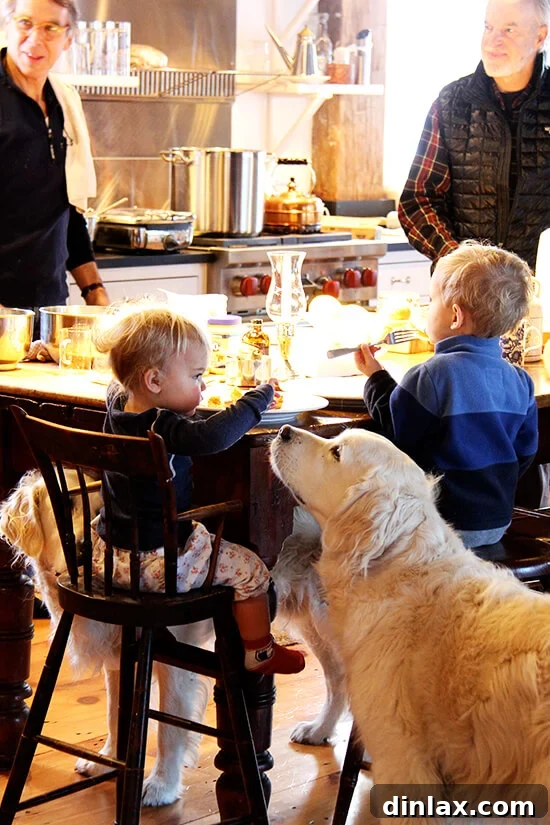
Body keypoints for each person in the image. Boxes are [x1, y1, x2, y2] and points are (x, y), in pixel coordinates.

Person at [91, 305, 305, 676]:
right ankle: (259, 650)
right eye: (196, 376)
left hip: (110, 558)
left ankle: (162, 639)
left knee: (202, 537)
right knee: (252, 570)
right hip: (160, 563)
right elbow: (213, 436)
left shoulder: (117, 405)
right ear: (154, 381)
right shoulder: (164, 425)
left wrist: (183, 387)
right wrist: (257, 400)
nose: (203, 386)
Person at [354, 243, 538, 549]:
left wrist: (375, 376)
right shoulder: (520, 380)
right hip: (495, 525)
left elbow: (396, 431)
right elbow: (525, 455)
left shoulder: (431, 375)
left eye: (431, 300)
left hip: (438, 526)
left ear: (455, 316)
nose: (427, 309)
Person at [398, 0, 550, 273]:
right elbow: (418, 200)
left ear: (540, 36)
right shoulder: (452, 102)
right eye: (488, 27)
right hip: (464, 297)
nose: (493, 41)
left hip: (544, 295)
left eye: (508, 30)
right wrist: (460, 263)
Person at [0, 0, 109, 324]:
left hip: (49, 307)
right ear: (7, 24)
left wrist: (94, 292)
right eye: (25, 23)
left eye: (50, 28)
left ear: (68, 38)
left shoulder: (64, 102)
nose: (35, 39)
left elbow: (66, 212)